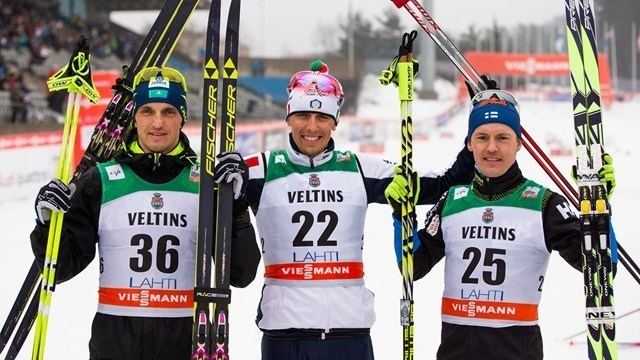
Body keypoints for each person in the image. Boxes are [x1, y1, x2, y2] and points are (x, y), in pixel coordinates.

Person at [211, 60, 476, 360]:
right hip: (285, 335)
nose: (312, 127)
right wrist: (226, 191)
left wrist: (479, 122)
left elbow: (444, 182)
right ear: (288, 117)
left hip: (350, 334)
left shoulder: (361, 169)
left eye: (322, 117)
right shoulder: (259, 170)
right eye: (302, 115)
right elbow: (226, 241)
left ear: (335, 122)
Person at [30, 66, 260, 359]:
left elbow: (241, 274)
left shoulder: (205, 184)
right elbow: (59, 269)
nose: (157, 123)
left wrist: (236, 205)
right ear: (134, 118)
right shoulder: (99, 181)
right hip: (115, 344)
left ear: (182, 118)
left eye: (169, 112)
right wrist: (46, 222)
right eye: (147, 111)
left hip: (185, 343)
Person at [385, 88, 617, 360]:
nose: (492, 147)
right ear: (469, 143)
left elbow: (602, 268)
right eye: (482, 137)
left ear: (518, 143)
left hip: (516, 351)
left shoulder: (545, 204)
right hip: (455, 351)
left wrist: (598, 212)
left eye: (503, 138)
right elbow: (414, 266)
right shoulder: (451, 202)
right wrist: (402, 217)